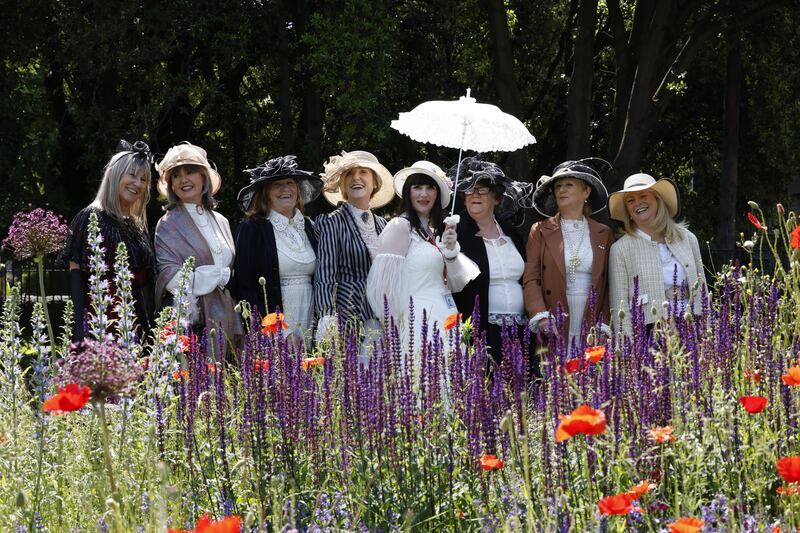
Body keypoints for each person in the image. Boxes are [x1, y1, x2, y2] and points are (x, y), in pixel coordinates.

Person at [366, 161, 479, 359]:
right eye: (417, 187)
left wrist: (451, 251)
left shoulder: (434, 233)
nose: (423, 194)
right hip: (416, 322)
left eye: (430, 188)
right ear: (408, 192)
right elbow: (383, 289)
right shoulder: (399, 227)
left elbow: (452, 283)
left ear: (438, 194)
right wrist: (400, 327)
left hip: (444, 317)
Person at [62, 140, 156, 341]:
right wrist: (80, 338)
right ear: (115, 175)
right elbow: (77, 279)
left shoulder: (138, 226)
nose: (137, 184)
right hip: (99, 330)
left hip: (136, 331)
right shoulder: (89, 217)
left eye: (143, 179)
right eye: (132, 175)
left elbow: (146, 287)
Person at [153, 142, 243, 349]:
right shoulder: (168, 224)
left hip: (228, 314)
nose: (183, 179)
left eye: (191, 171)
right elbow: (171, 278)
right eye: (176, 175)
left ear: (204, 177)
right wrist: (217, 276)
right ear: (171, 185)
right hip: (192, 321)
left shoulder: (221, 220)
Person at [522, 160, 613, 352]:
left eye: (569, 185)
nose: (561, 190)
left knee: (591, 378)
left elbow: (608, 286)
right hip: (554, 319)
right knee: (555, 380)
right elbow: (531, 277)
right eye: (558, 186)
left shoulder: (603, 233)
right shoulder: (539, 230)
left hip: (591, 318)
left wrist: (604, 323)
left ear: (586, 192)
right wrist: (540, 314)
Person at [232, 155, 323, 343]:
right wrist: (278, 332)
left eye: (290, 183)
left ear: (298, 190)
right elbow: (245, 287)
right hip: (275, 326)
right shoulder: (252, 229)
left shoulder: (309, 227)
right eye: (277, 185)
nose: (285, 189)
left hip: (310, 318)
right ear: (265, 193)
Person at [314, 150, 396, 349]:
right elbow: (325, 274)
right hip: (348, 317)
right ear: (342, 184)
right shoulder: (331, 222)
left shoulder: (384, 225)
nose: (356, 178)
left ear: (375, 182)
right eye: (349, 173)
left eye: (363, 172)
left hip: (382, 318)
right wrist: (327, 315)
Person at [451, 157, 528, 365]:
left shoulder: (511, 233)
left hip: (520, 329)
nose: (474, 194)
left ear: (497, 198)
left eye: (482, 189)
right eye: (469, 189)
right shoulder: (455, 232)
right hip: (481, 328)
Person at [608, 173, 706, 333]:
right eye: (630, 200)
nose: (637, 203)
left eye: (643, 195)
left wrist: (707, 338)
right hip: (647, 333)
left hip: (691, 329)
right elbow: (619, 306)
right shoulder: (620, 249)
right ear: (627, 210)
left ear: (657, 199)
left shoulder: (687, 238)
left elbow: (703, 291)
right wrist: (627, 349)